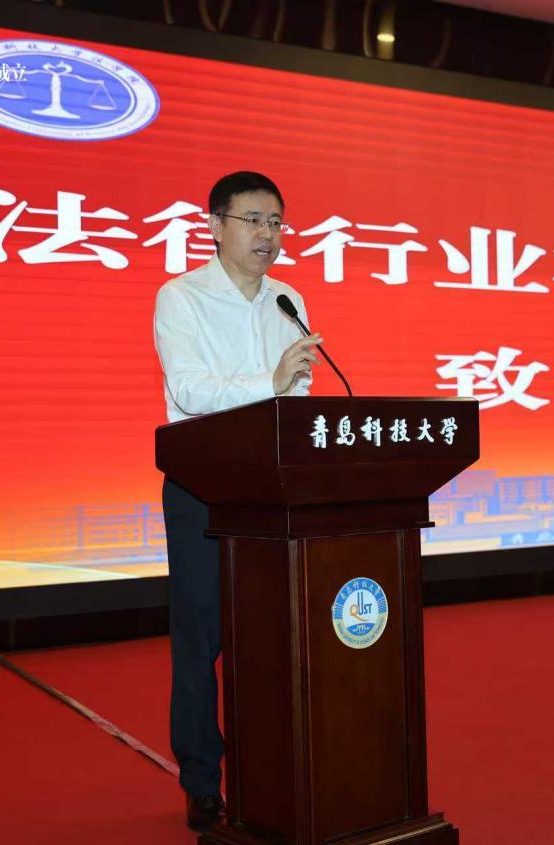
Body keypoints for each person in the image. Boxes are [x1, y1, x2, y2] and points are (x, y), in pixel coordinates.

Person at [153, 171, 322, 831]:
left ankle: (271, 769)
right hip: (203, 489)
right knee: (201, 643)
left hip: (271, 492)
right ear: (215, 225)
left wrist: (287, 393)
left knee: (270, 636)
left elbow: (296, 395)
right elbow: (190, 390)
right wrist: (269, 381)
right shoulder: (181, 297)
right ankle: (202, 781)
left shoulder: (288, 298)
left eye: (276, 222)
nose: (267, 235)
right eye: (253, 220)